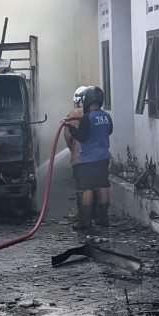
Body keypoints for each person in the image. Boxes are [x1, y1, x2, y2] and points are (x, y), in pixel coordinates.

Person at [65, 86, 113, 229]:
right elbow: (109, 131)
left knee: (87, 189)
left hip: (88, 160)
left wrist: (71, 128)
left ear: (87, 100)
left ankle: (85, 222)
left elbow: (82, 137)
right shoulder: (106, 116)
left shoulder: (87, 118)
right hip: (104, 158)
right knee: (103, 186)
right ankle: (103, 219)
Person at [62, 86, 87, 221]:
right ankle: (94, 213)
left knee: (81, 187)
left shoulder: (74, 114)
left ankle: (82, 214)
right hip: (95, 158)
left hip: (79, 158)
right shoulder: (94, 113)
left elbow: (68, 135)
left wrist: (72, 149)